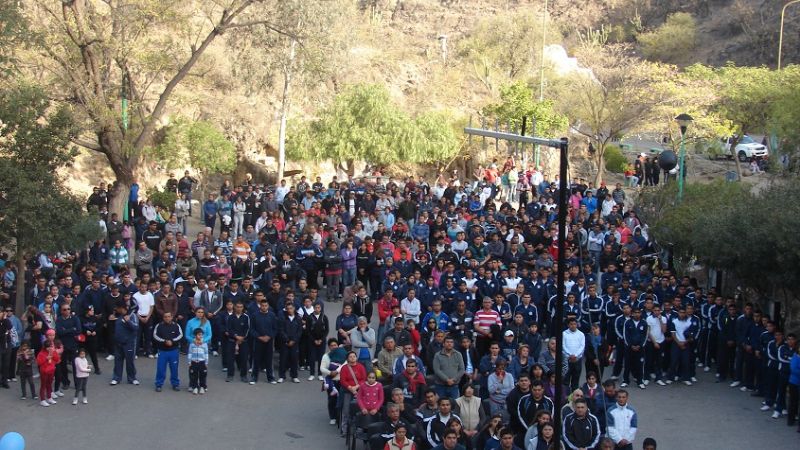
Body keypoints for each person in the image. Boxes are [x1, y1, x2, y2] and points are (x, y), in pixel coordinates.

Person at [110, 301, 139, 386]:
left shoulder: (132, 316)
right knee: (117, 361)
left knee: (130, 361)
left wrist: (128, 321)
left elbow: (136, 327)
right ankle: (116, 378)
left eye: (117, 308)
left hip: (129, 343)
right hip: (118, 343)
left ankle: (132, 378)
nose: (116, 310)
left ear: (122, 308)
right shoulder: (117, 316)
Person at [153, 311, 183, 391]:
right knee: (161, 368)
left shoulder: (176, 326)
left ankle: (175, 384)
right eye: (165, 317)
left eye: (169, 316)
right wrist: (164, 341)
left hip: (173, 351)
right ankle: (159, 384)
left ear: (172, 317)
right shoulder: (159, 326)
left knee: (174, 368)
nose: (167, 318)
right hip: (162, 351)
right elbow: (155, 335)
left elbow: (180, 335)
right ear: (163, 318)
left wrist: (172, 341)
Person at [223, 301, 250, 383]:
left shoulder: (246, 317)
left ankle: (244, 375)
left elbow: (248, 329)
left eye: (241, 307)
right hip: (232, 341)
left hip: (243, 341)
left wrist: (242, 337)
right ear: (234, 307)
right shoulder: (230, 317)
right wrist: (235, 336)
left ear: (243, 308)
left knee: (244, 359)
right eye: (237, 306)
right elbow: (228, 329)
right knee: (230, 359)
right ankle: (230, 375)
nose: (239, 308)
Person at [433, 335, 466, 400]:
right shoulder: (437, 355)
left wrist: (453, 380)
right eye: (447, 342)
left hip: (454, 386)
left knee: (455, 405)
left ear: (453, 344)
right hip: (440, 386)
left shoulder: (458, 354)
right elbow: (436, 370)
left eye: (451, 342)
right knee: (441, 405)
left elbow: (462, 369)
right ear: (443, 344)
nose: (449, 344)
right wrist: (447, 380)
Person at [278, 302, 304, 383]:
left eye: (291, 308)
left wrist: (294, 340)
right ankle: (282, 376)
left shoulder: (298, 319)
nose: (289, 310)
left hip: (294, 343)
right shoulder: (283, 318)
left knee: (294, 359)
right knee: (283, 359)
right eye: (288, 308)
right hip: (284, 343)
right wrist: (287, 340)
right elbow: (281, 330)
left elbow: (299, 331)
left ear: (294, 309)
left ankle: (294, 376)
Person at [563, 318, 585, 392]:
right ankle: (565, 398)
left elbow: (582, 346)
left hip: (577, 360)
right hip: (566, 360)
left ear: (577, 325)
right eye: (571, 324)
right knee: (565, 380)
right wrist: (570, 355)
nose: (573, 326)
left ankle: (574, 398)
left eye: (574, 324)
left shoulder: (581, 334)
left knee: (575, 381)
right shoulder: (564, 333)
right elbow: (563, 346)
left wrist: (575, 355)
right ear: (568, 325)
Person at [37, 340, 60, 407]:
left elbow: (57, 359)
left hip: (51, 370)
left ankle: (49, 397)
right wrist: (46, 358)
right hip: (44, 371)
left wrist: (54, 353)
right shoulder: (41, 353)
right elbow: (39, 362)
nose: (49, 348)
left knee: (49, 384)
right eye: (48, 347)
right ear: (45, 347)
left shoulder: (52, 351)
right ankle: (42, 400)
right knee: (43, 385)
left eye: (50, 346)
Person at [188, 328, 209, 395]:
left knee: (202, 375)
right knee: (194, 375)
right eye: (199, 335)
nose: (201, 336)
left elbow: (206, 353)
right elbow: (190, 353)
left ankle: (202, 387)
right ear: (195, 335)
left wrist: (206, 362)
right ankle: (195, 387)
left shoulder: (204, 344)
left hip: (202, 362)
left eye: (202, 335)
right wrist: (189, 362)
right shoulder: (192, 344)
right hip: (194, 362)